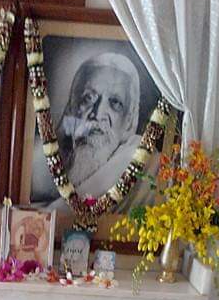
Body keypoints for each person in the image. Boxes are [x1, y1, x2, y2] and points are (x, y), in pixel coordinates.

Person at [31, 52, 158, 210]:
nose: (97, 114)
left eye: (115, 103)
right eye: (88, 98)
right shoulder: (41, 159)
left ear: (129, 121)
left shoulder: (140, 157)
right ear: (72, 108)